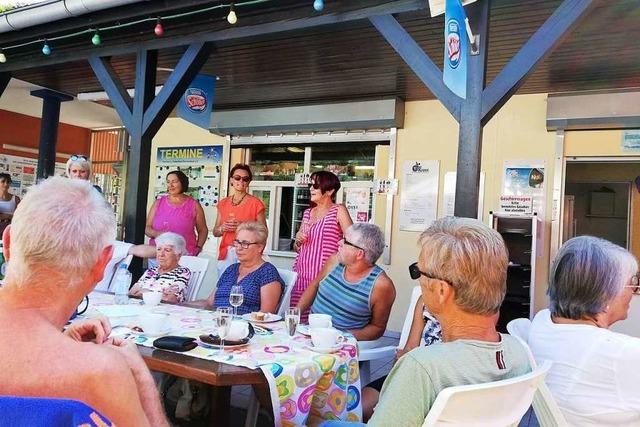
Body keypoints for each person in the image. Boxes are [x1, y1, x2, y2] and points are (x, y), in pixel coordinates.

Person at [0, 176, 168, 426]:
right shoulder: (98, 373)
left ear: (8, 243)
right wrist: (142, 380)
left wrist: (59, 340)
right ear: (103, 263)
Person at [343, 217, 530, 426]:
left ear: (442, 290)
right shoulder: (520, 353)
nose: (418, 279)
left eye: (418, 271)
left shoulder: (421, 369)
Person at [528, 236, 640, 426]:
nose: (635, 290)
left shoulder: (543, 323)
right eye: (633, 282)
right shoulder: (623, 354)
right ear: (606, 295)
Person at [296, 223, 396, 341]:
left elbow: (377, 328)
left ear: (359, 254)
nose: (339, 242)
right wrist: (296, 313)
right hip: (309, 335)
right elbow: (315, 285)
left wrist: (340, 337)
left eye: (345, 241)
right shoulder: (335, 261)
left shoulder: (381, 285)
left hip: (341, 347)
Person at [290, 171, 353, 321]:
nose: (311, 188)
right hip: (302, 275)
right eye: (311, 184)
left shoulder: (338, 210)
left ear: (330, 190)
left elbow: (353, 241)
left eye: (316, 185)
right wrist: (297, 240)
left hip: (325, 276)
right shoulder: (307, 213)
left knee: (320, 320)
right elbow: (297, 248)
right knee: (298, 320)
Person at [189, 221, 283, 315]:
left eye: (245, 243)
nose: (238, 248)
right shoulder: (231, 269)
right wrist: (179, 306)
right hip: (218, 322)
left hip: (244, 326)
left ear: (260, 247)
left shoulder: (267, 272)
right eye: (237, 242)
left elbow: (266, 314)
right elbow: (209, 303)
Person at [213, 164, 266, 277]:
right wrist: (223, 228)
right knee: (224, 288)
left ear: (249, 182)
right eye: (237, 177)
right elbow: (215, 232)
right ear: (231, 180)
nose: (241, 181)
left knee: (245, 287)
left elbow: (264, 232)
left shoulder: (256, 203)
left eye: (245, 179)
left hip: (248, 251)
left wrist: (244, 226)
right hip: (227, 252)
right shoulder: (223, 203)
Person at [146, 170, 208, 256]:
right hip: (158, 255)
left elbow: (203, 230)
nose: (170, 185)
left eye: (174, 181)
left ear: (183, 183)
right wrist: (159, 235)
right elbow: (147, 228)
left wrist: (198, 248)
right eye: (168, 182)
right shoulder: (158, 203)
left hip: (184, 255)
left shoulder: (194, 205)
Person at [129, 232, 192, 303]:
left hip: (165, 311)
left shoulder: (182, 272)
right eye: (159, 249)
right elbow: (132, 293)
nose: (161, 254)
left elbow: (169, 299)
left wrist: (143, 292)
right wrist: (157, 294)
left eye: (167, 250)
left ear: (178, 255)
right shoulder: (151, 271)